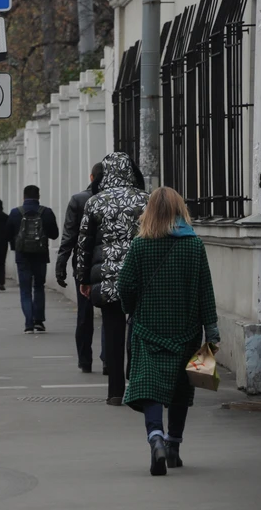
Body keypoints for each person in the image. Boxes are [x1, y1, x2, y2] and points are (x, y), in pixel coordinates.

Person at [118, 187, 218, 476]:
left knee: (149, 388)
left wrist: (132, 308)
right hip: (186, 332)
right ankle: (174, 447)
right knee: (181, 389)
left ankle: (156, 438)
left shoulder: (140, 245)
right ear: (179, 209)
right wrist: (212, 333)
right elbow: (205, 292)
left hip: (148, 330)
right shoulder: (194, 245)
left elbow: (125, 286)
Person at [75, 152, 149, 406]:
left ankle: (115, 392)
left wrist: (83, 279)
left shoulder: (95, 202)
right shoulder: (146, 201)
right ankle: (139, 384)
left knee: (113, 332)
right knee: (140, 332)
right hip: (140, 277)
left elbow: (83, 245)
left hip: (106, 278)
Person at [56, 162, 106, 373]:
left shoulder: (78, 200)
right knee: (110, 312)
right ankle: (108, 360)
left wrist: (61, 262)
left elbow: (69, 235)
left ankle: (85, 360)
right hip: (108, 264)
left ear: (91, 177)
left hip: (83, 264)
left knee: (84, 314)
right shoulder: (113, 200)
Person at [7, 186, 59, 334]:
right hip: (41, 255)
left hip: (22, 256)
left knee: (25, 290)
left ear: (24, 197)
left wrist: (17, 245)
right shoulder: (46, 212)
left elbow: (7, 234)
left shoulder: (15, 213)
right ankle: (39, 322)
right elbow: (54, 234)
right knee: (38, 287)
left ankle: (28, 324)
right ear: (38, 196)